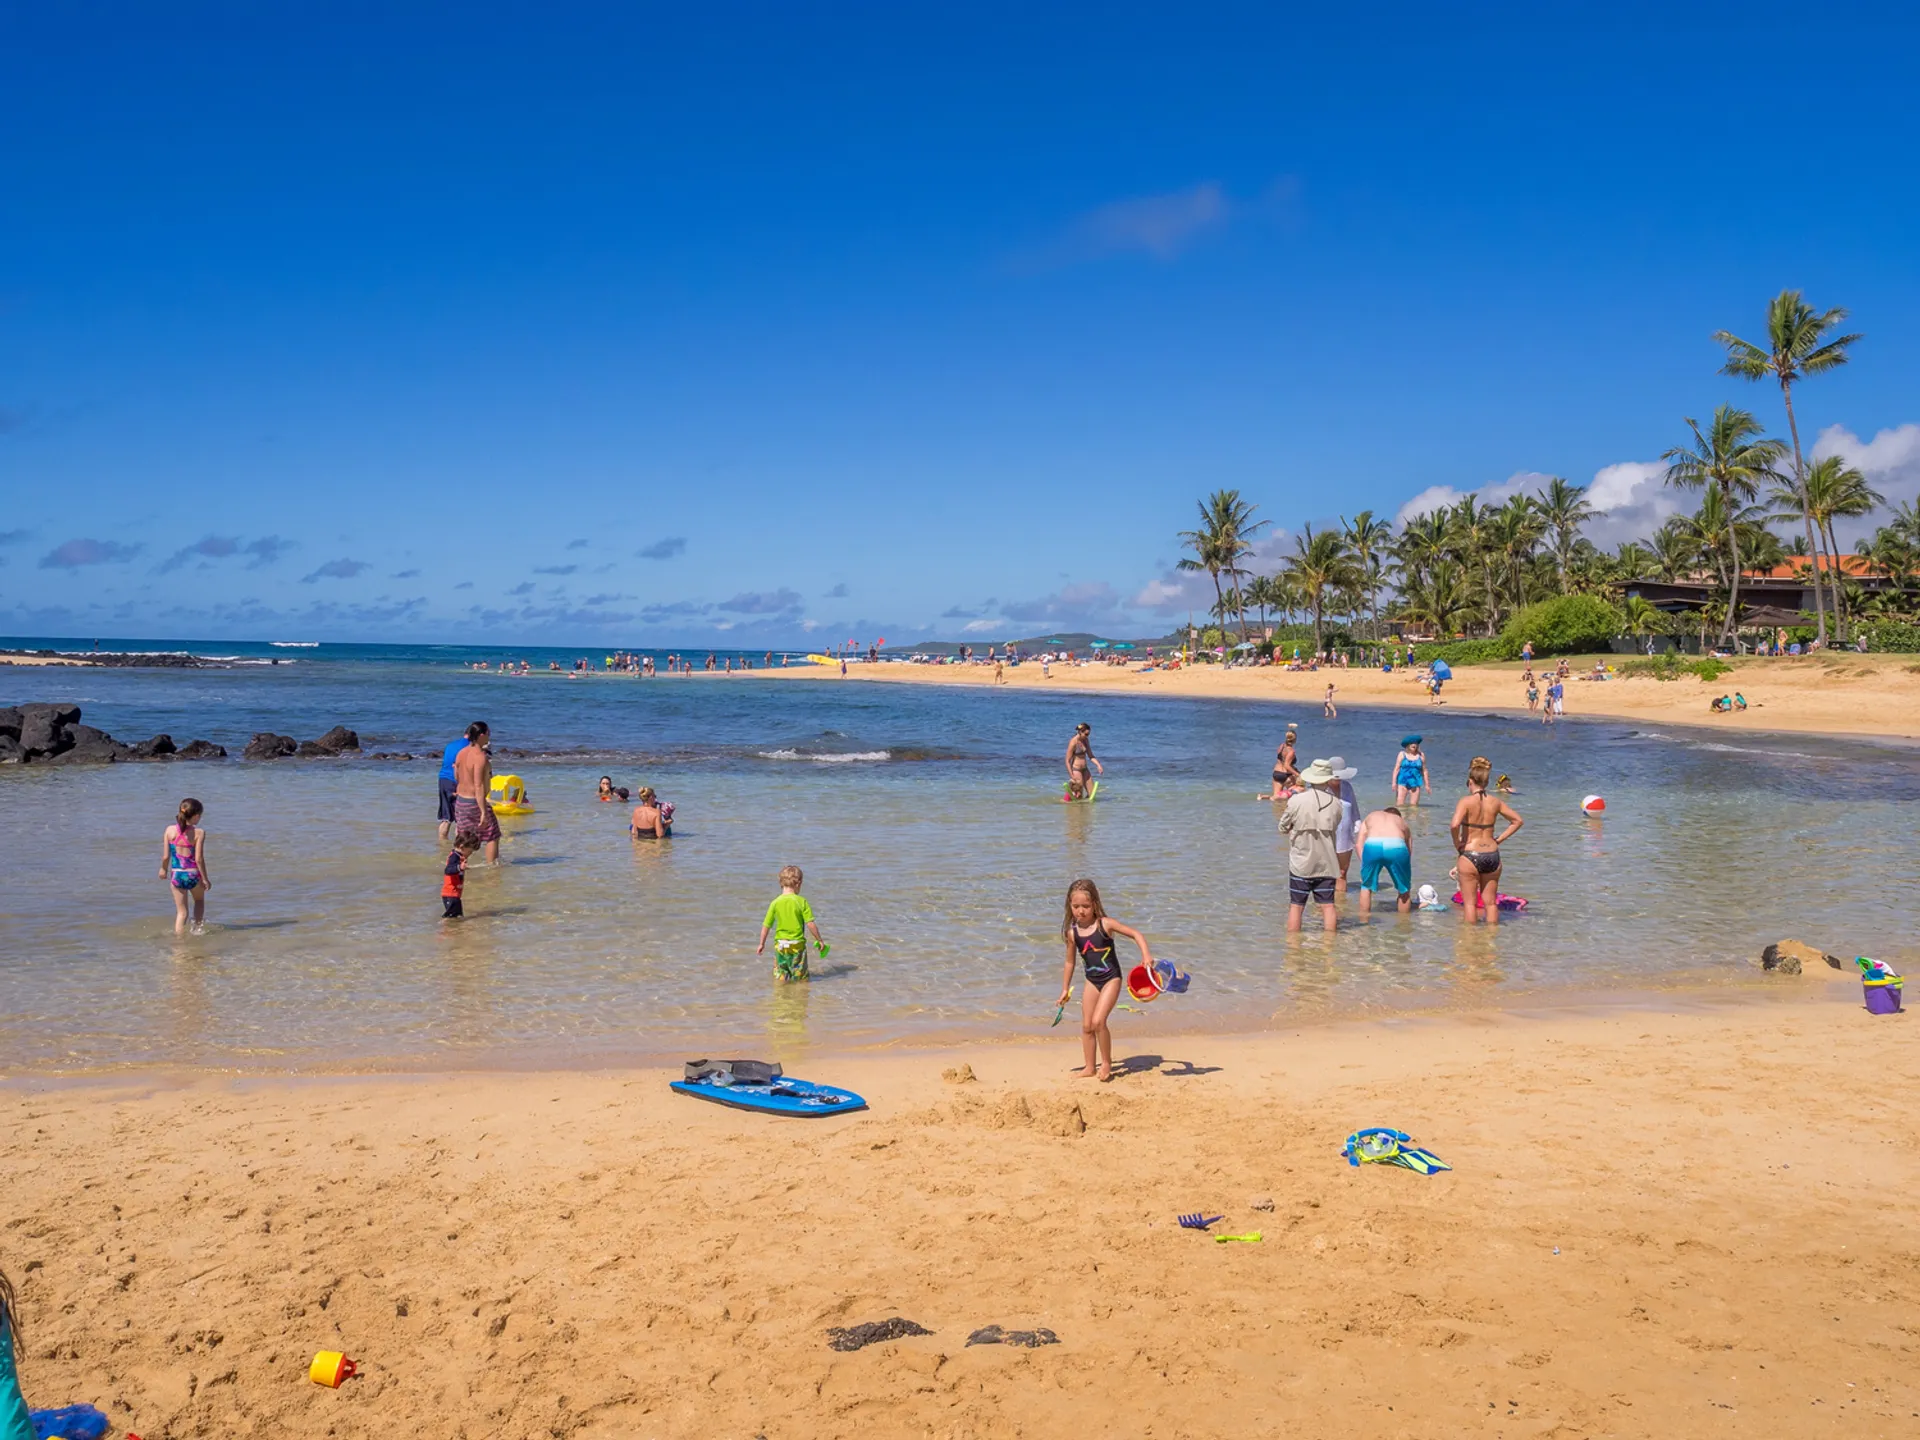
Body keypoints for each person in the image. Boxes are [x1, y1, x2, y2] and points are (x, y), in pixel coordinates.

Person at [1056, 878, 1155, 1083]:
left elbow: (1136, 934)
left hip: (1111, 978)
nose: (1081, 911)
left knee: (1098, 1021)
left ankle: (1107, 1062)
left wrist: (1146, 956)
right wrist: (1065, 989)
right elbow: (1069, 963)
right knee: (1086, 1026)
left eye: (1086, 906)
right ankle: (1090, 1067)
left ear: (1095, 904)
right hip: (1092, 981)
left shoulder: (1105, 924)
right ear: (1069, 906)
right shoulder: (1073, 933)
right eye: (1076, 906)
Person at [1449, 756, 1525, 925]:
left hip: (1470, 853)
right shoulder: (1495, 802)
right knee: (1490, 903)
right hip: (1492, 854)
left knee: (1470, 904)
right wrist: (1498, 840)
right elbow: (1518, 821)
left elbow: (1454, 825)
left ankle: (1471, 941)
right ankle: (1491, 942)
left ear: (1470, 781)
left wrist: (1457, 844)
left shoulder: (1465, 802)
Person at [1281, 759, 1345, 932]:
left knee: (1296, 906)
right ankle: (1329, 947)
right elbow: (1335, 826)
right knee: (1328, 906)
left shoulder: (1296, 801)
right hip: (1327, 862)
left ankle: (1293, 950)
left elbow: (1283, 827)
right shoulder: (1337, 804)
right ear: (1328, 779)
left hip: (1301, 862)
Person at [757, 864, 826, 982]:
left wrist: (761, 944)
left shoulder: (775, 902)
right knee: (800, 977)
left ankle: (781, 997)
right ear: (799, 884)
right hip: (797, 945)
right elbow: (810, 924)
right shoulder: (801, 902)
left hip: (780, 945)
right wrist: (819, 940)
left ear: (781, 883)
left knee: (781, 975)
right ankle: (798, 996)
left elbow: (766, 926)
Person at [452, 721, 501, 866]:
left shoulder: (461, 753)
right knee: (492, 834)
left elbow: (456, 775)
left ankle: (459, 863)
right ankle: (491, 867)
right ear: (481, 735)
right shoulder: (480, 757)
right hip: (474, 801)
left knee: (463, 835)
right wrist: (483, 812)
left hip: (461, 801)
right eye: (488, 734)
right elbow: (478, 786)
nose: (489, 737)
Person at [160, 798, 209, 935]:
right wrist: (205, 879)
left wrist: (163, 869)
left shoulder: (169, 830)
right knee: (199, 901)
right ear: (196, 816)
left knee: (182, 913)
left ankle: (180, 941)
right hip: (193, 874)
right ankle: (197, 930)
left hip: (177, 875)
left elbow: (165, 856)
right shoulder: (199, 833)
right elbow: (199, 859)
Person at [1353, 805, 1413, 915]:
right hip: (1396, 845)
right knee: (1404, 889)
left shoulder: (1372, 815)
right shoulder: (1402, 822)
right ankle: (1404, 925)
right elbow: (1408, 852)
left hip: (1373, 844)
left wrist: (1365, 863)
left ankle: (1364, 924)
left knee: (1366, 886)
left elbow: (1358, 845)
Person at [1325, 756, 1359, 895]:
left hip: (1345, 835)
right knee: (1325, 874)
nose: (1338, 779)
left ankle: (1341, 905)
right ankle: (1324, 907)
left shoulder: (1347, 787)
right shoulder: (1321, 789)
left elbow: (1354, 811)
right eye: (1335, 776)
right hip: (1326, 835)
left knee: (1342, 872)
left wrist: (1359, 830)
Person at [437, 732, 469, 842]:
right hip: (457, 782)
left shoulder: (451, 745)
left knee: (446, 818)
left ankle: (442, 846)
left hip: (443, 780)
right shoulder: (470, 747)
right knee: (460, 820)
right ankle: (458, 850)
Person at [441, 831, 478, 918]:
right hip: (450, 893)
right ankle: (444, 928)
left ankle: (455, 930)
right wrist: (460, 867)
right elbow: (448, 870)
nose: (470, 854)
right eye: (470, 851)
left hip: (455, 894)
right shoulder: (454, 856)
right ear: (462, 847)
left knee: (457, 916)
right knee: (450, 917)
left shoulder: (459, 856)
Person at [1064, 722, 1102, 801]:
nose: (1087, 736)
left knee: (1091, 795)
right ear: (1080, 732)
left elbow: (1091, 756)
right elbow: (1067, 761)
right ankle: (1074, 809)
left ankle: (1087, 811)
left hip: (1085, 769)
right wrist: (1072, 776)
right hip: (1076, 770)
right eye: (1086, 734)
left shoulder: (1086, 740)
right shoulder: (1073, 742)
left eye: (1088, 734)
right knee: (1079, 796)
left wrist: (1098, 765)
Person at [1393, 736, 1429, 807]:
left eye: (1416, 743)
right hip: (1402, 782)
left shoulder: (1421, 755)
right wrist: (1394, 783)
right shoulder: (1402, 754)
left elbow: (1424, 770)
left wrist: (1427, 785)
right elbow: (1396, 769)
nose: (1414, 745)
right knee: (1400, 805)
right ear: (1408, 745)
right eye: (1412, 743)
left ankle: (1412, 818)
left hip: (1415, 782)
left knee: (1414, 806)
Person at [1268, 726, 1299, 801]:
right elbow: (1286, 765)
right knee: (1298, 793)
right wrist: (1297, 774)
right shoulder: (1291, 751)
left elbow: (1281, 758)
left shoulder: (1281, 746)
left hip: (1276, 773)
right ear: (1295, 740)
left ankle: (1263, 799)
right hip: (1285, 774)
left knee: (1276, 798)